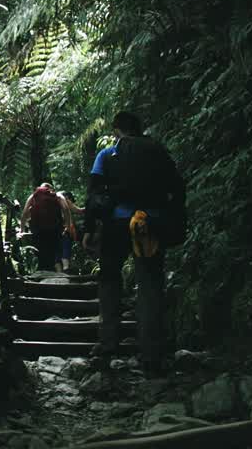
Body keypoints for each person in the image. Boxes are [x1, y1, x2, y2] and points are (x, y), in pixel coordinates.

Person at [83, 111, 185, 373]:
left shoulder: (107, 154)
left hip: (117, 225)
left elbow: (93, 193)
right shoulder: (158, 152)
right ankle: (151, 354)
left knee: (109, 280)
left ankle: (108, 343)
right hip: (150, 224)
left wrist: (89, 229)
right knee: (150, 284)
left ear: (116, 131)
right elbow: (176, 187)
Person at [21, 183, 66, 272]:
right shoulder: (57, 196)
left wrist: (22, 230)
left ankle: (42, 271)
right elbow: (65, 209)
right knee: (53, 251)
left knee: (41, 252)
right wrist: (67, 225)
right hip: (54, 229)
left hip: (38, 230)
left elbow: (25, 212)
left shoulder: (33, 196)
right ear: (51, 189)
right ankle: (52, 272)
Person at [57, 191, 83, 272]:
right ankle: (66, 269)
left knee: (57, 253)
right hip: (65, 230)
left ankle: (59, 273)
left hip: (54, 230)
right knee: (65, 250)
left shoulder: (53, 203)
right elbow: (78, 210)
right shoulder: (65, 200)